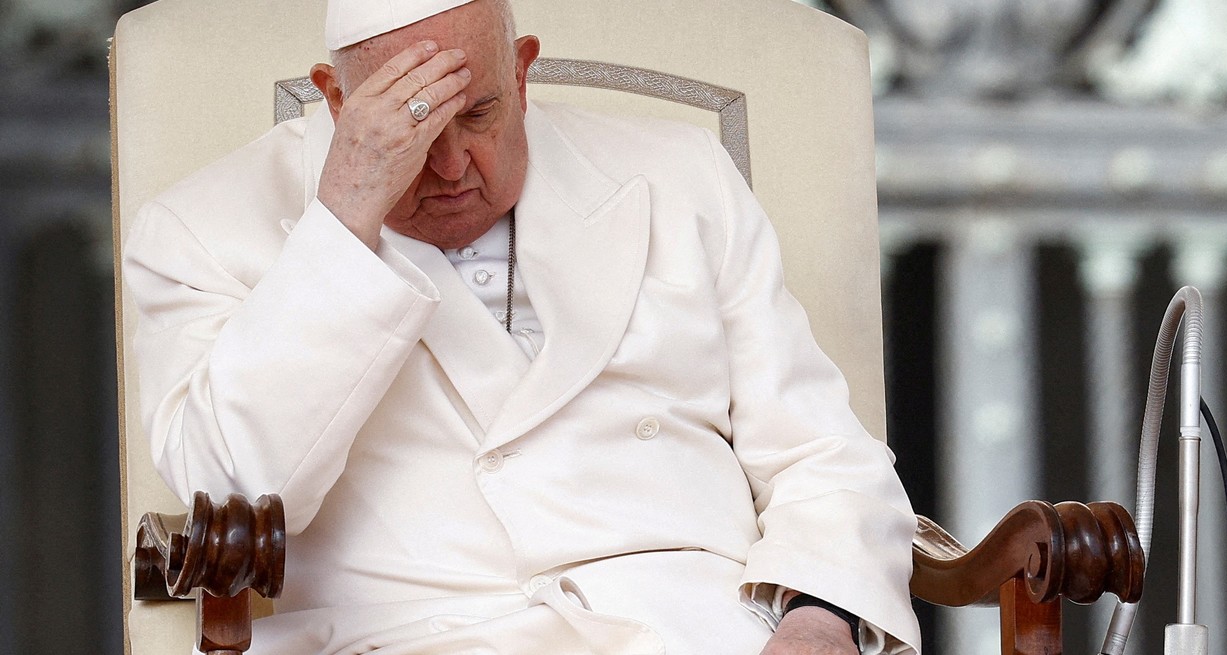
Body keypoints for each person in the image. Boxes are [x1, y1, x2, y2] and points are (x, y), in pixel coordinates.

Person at [124, 0, 921, 653]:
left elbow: (820, 450)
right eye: (411, 126)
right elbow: (229, 491)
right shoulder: (198, 230)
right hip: (407, 636)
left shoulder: (684, 176)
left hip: (693, 626)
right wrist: (342, 225)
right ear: (336, 101)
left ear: (522, 72)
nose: (451, 165)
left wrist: (818, 619)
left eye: (478, 113)